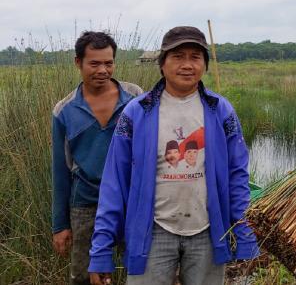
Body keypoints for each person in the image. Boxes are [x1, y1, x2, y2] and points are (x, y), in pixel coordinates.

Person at [88, 26, 259, 285]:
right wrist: (101, 250)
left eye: (195, 57)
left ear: (205, 64)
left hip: (207, 231)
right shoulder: (137, 112)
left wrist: (245, 233)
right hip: (152, 232)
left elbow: (237, 176)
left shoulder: (221, 111)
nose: (187, 65)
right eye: (178, 56)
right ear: (162, 64)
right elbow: (115, 183)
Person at [52, 31, 143, 285]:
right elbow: (60, 170)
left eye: (108, 63)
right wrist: (60, 225)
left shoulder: (135, 98)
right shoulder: (64, 111)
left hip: (131, 201)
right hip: (86, 203)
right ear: (78, 62)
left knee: (141, 269)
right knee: (85, 276)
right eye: (94, 63)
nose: (103, 70)